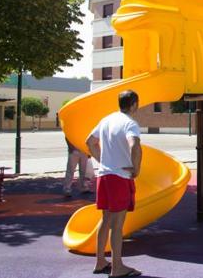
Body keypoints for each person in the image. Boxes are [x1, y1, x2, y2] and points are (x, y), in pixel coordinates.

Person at [87, 90, 142, 278]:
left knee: (106, 219)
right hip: (119, 177)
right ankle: (117, 268)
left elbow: (90, 142)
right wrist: (136, 168)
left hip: (104, 175)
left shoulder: (107, 120)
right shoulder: (130, 123)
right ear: (134, 104)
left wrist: (102, 161)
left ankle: (100, 261)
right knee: (117, 225)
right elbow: (134, 145)